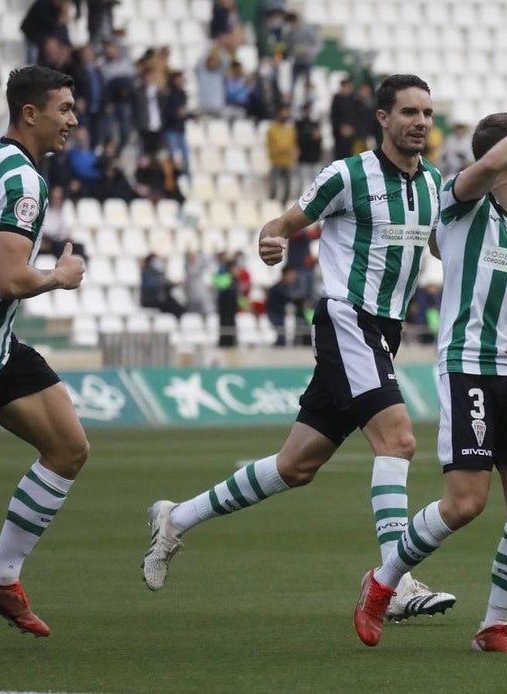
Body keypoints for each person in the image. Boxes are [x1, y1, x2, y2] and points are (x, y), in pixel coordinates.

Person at [143, 74, 456, 622]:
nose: (420, 123)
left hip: (383, 334)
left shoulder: (430, 182)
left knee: (296, 466)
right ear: (382, 118)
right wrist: (272, 240)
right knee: (399, 441)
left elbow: (438, 245)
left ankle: (175, 518)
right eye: (409, 112)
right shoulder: (348, 174)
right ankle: (395, 580)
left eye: (426, 113)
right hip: (346, 319)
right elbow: (283, 221)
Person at [353, 110, 507, 654]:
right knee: (464, 504)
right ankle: (382, 582)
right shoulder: (460, 204)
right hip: (468, 367)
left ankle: (494, 628)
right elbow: (486, 164)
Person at [0, 65, 88, 637]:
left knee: (66, 445)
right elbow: (8, 281)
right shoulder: (25, 183)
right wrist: (60, 276)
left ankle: (0, 576)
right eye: (64, 109)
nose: (73, 119)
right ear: (30, 114)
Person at [266, 104, 297, 203]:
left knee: (288, 188)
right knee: (274, 187)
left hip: (287, 162)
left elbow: (293, 144)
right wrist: (284, 149)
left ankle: (283, 206)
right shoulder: (272, 129)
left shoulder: (290, 130)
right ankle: (271, 206)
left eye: (286, 112)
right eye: (283, 112)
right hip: (276, 161)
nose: (285, 115)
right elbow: (271, 146)